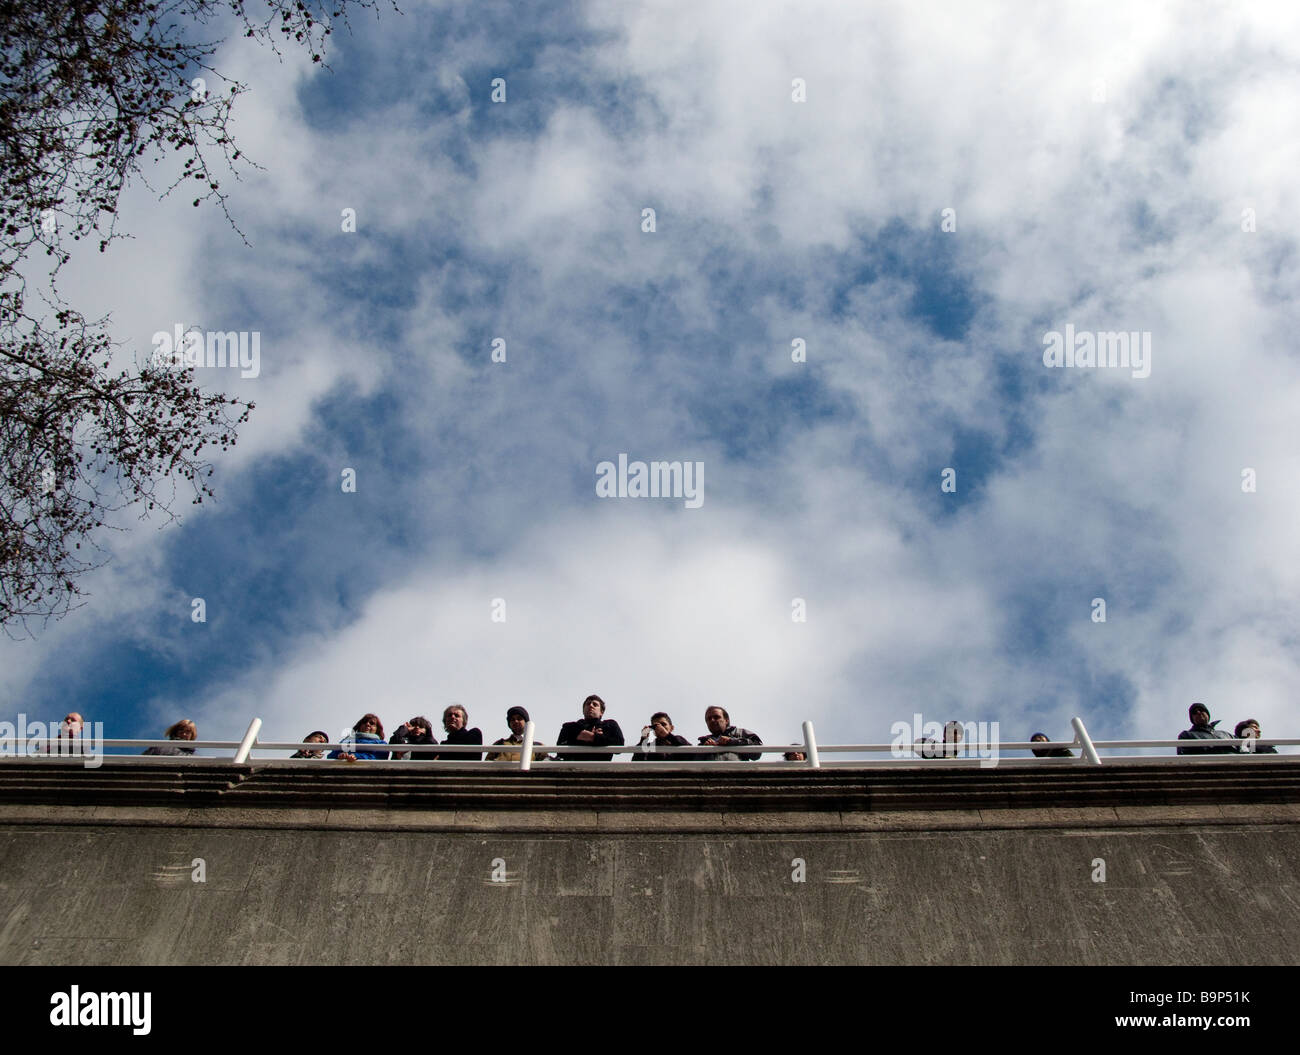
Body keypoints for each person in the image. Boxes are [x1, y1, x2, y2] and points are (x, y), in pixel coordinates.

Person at [556, 694, 625, 761]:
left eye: (595, 704)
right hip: (573, 769)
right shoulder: (570, 727)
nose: (591, 706)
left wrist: (593, 737)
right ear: (583, 710)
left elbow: (619, 745)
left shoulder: (609, 725)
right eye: (588, 704)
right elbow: (560, 751)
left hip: (601, 769)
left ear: (601, 712)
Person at [698, 706, 763, 761]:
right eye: (708, 719)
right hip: (711, 775)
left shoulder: (740, 733)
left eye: (716, 717)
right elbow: (694, 765)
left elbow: (757, 752)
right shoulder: (703, 742)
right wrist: (705, 750)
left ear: (726, 720)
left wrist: (732, 741)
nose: (712, 720)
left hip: (736, 774)